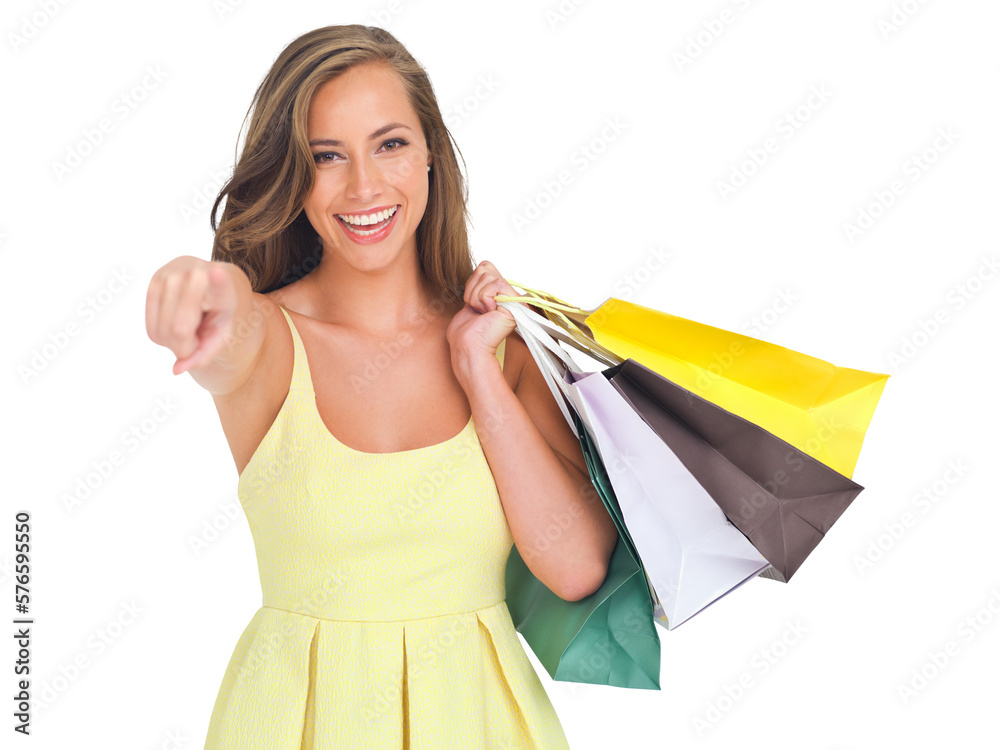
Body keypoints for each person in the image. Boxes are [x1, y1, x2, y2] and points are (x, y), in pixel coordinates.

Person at [145, 24, 617, 749]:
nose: (364, 186)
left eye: (390, 144)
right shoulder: (270, 341)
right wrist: (193, 290)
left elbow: (578, 567)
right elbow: (227, 314)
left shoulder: (501, 347)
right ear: (291, 176)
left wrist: (477, 375)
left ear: (430, 151)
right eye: (325, 156)